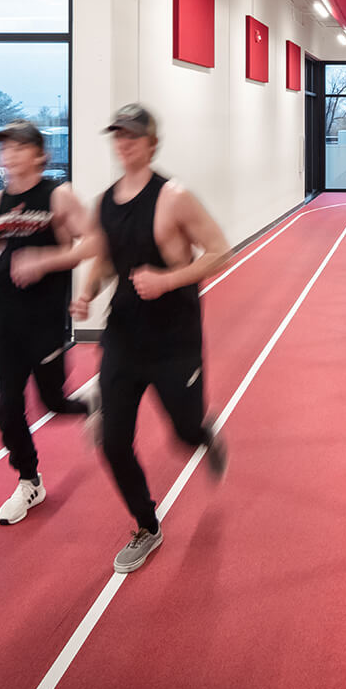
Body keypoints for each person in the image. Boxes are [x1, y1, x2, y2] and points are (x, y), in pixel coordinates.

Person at [71, 103, 232, 573]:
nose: (124, 144)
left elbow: (221, 249)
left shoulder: (174, 197)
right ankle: (147, 524)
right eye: (118, 136)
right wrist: (86, 292)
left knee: (182, 433)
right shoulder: (104, 202)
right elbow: (105, 261)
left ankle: (205, 435)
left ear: (151, 144)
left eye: (133, 136)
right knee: (114, 443)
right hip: (123, 337)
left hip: (173, 340)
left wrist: (168, 280)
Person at [0, 120, 94, 525]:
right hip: (4, 314)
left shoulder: (58, 195)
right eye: (3, 148)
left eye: (18, 147)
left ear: (39, 154)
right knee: (6, 406)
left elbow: (94, 240)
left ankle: (93, 404)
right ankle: (29, 480)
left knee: (52, 401)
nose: (8, 154)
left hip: (45, 316)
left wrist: (46, 261)